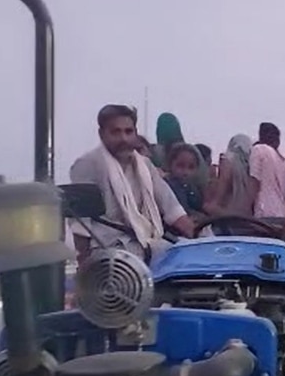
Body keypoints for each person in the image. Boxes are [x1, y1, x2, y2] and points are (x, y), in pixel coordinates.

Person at [69, 104, 196, 263]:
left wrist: (198, 242)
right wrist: (85, 267)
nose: (124, 138)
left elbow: (172, 208)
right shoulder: (88, 164)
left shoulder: (145, 165)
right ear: (101, 134)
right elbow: (81, 225)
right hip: (108, 251)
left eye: (129, 132)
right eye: (116, 132)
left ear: (135, 133)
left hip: (148, 244)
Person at [204, 134, 255, 218]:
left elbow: (224, 180)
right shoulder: (250, 165)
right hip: (245, 216)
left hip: (227, 213)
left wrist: (214, 203)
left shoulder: (228, 158)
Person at [249, 122, 285, 219]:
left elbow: (254, 182)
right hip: (282, 214)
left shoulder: (258, 150)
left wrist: (245, 210)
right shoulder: (282, 160)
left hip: (265, 212)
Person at [164, 143, 206, 222]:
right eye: (180, 166)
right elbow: (182, 210)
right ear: (170, 165)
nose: (185, 172)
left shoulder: (193, 187)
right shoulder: (168, 185)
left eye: (191, 167)